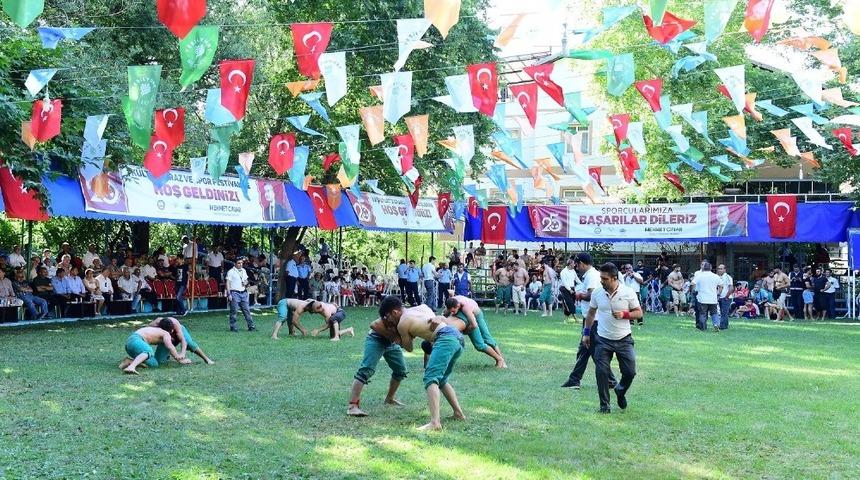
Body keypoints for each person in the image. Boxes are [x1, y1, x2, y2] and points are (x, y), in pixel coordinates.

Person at [384, 296, 466, 431]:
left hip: (444, 339)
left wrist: (405, 337)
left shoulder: (402, 323)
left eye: (388, 317)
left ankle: (435, 423)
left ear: (394, 312)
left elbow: (409, 348)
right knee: (442, 379)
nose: (390, 321)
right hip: (457, 336)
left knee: (430, 378)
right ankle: (458, 413)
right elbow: (435, 320)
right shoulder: (422, 307)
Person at [580, 263, 642, 413]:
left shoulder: (628, 292)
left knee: (630, 372)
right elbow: (590, 314)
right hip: (602, 339)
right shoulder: (597, 293)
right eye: (601, 277)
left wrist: (624, 315)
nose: (601, 280)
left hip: (624, 339)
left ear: (614, 278)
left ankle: (620, 390)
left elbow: (639, 313)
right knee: (601, 372)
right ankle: (604, 406)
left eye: (604, 278)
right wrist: (586, 333)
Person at [347, 299, 410, 417]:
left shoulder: (407, 316)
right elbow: (374, 324)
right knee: (366, 370)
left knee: (400, 371)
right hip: (376, 339)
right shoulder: (385, 318)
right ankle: (352, 406)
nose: (386, 318)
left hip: (391, 344)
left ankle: (389, 399)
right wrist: (393, 337)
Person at [562, 253, 610, 389]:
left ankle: (574, 380)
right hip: (590, 318)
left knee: (588, 350)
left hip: (593, 319)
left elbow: (591, 295)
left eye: (577, 265)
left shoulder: (592, 275)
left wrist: (578, 295)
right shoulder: (590, 275)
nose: (576, 267)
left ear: (582, 263)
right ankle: (610, 380)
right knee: (587, 351)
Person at [445, 295, 507, 368]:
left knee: (485, 341)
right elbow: (447, 311)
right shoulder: (452, 301)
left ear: (458, 306)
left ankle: (500, 360)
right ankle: (500, 360)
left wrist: (466, 332)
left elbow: (474, 325)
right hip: (470, 311)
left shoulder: (466, 308)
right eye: (451, 311)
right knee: (481, 344)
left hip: (477, 316)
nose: (452, 313)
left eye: (453, 311)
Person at [118, 319, 192, 374]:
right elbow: (170, 346)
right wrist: (179, 358)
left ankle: (128, 361)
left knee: (154, 364)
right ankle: (131, 367)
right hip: (136, 340)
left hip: (129, 344)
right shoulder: (165, 333)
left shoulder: (155, 329)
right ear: (172, 330)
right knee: (149, 351)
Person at [147, 316, 214, 365]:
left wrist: (183, 353)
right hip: (164, 338)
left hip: (180, 331)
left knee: (190, 343)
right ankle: (167, 354)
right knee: (159, 361)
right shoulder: (154, 325)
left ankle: (206, 359)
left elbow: (183, 340)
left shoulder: (175, 323)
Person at [226, 258, 256, 332]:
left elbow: (246, 280)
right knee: (234, 311)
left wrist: (245, 283)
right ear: (235, 264)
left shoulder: (243, 270)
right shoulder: (231, 272)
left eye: (242, 263)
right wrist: (229, 294)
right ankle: (233, 327)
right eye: (239, 263)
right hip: (234, 292)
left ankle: (251, 326)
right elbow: (228, 283)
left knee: (247, 310)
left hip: (243, 292)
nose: (241, 264)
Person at [692, 262, 723, 331]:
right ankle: (716, 324)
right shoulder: (715, 276)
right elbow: (721, 285)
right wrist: (718, 293)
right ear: (711, 268)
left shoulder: (700, 275)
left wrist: (694, 290)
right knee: (714, 313)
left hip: (702, 298)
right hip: (713, 298)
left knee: (703, 313)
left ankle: (703, 327)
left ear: (703, 268)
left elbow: (693, 283)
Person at [716, 264, 733, 330]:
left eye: (721, 269)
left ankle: (722, 326)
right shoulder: (718, 277)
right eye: (718, 269)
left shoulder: (728, 277)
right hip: (720, 297)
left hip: (726, 297)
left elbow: (731, 288)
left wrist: (726, 296)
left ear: (725, 270)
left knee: (724, 312)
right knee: (723, 312)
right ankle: (725, 326)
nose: (719, 270)